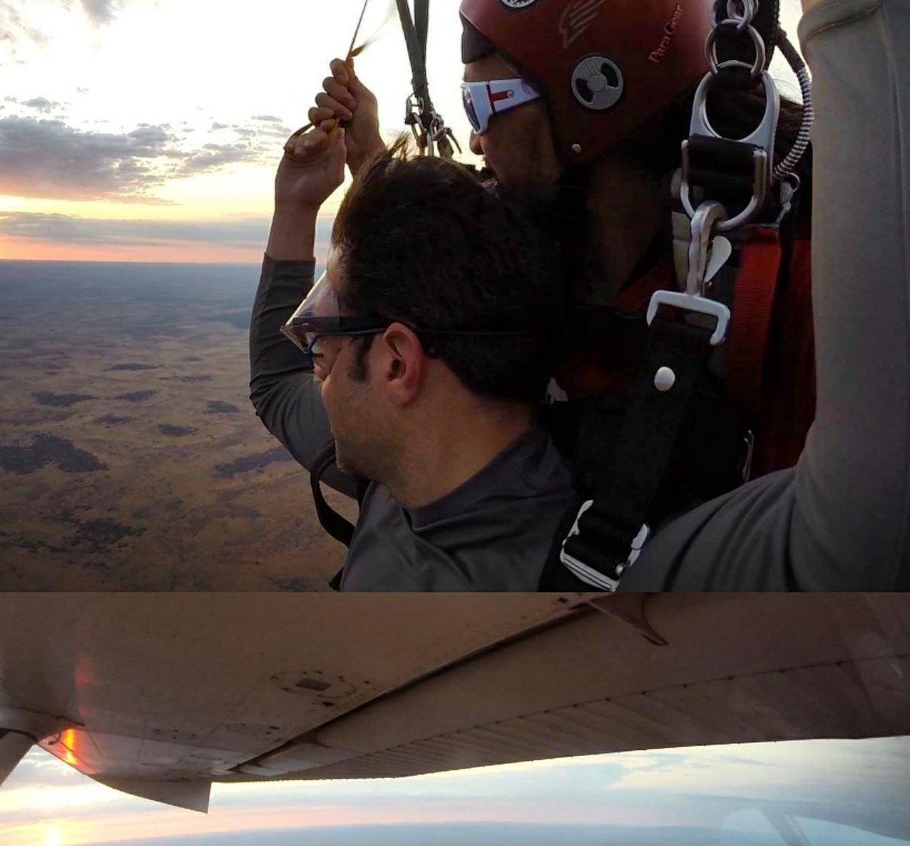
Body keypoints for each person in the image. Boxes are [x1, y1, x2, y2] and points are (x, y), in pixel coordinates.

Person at [250, 0, 909, 590]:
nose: (474, 140)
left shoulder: (790, 298)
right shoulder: (439, 407)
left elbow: (860, 534)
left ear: (594, 99)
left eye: (482, 105)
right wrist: (331, 190)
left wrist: (856, 24)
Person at [252, 131, 578, 590]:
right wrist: (296, 206)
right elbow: (277, 385)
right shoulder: (403, 466)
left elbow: (277, 384)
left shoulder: (544, 594)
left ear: (398, 365)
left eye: (327, 345)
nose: (317, 370)